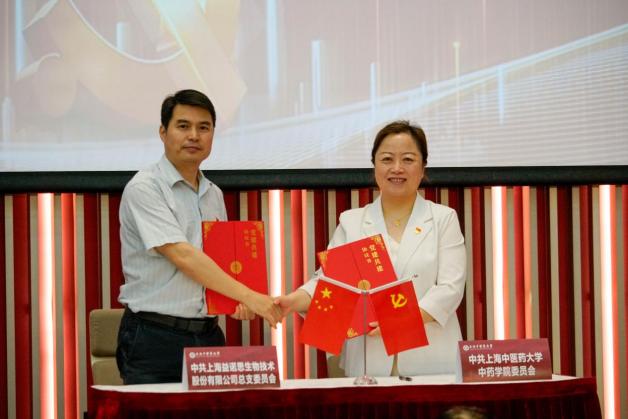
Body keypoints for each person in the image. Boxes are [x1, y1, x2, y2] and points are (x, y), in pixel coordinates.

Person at [116, 89, 282, 384]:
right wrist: (249, 296)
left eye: (203, 128)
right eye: (183, 126)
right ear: (163, 132)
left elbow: (222, 263)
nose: (194, 135)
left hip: (208, 334)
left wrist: (238, 301)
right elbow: (183, 255)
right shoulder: (145, 188)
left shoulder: (213, 193)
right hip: (154, 338)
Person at [276, 120, 466, 377]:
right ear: (374, 166)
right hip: (369, 363)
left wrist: (400, 320)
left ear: (423, 168)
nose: (397, 168)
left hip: (431, 359)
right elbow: (327, 284)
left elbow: (450, 288)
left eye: (408, 159)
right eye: (387, 159)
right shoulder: (352, 222)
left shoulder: (444, 218)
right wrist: (292, 301)